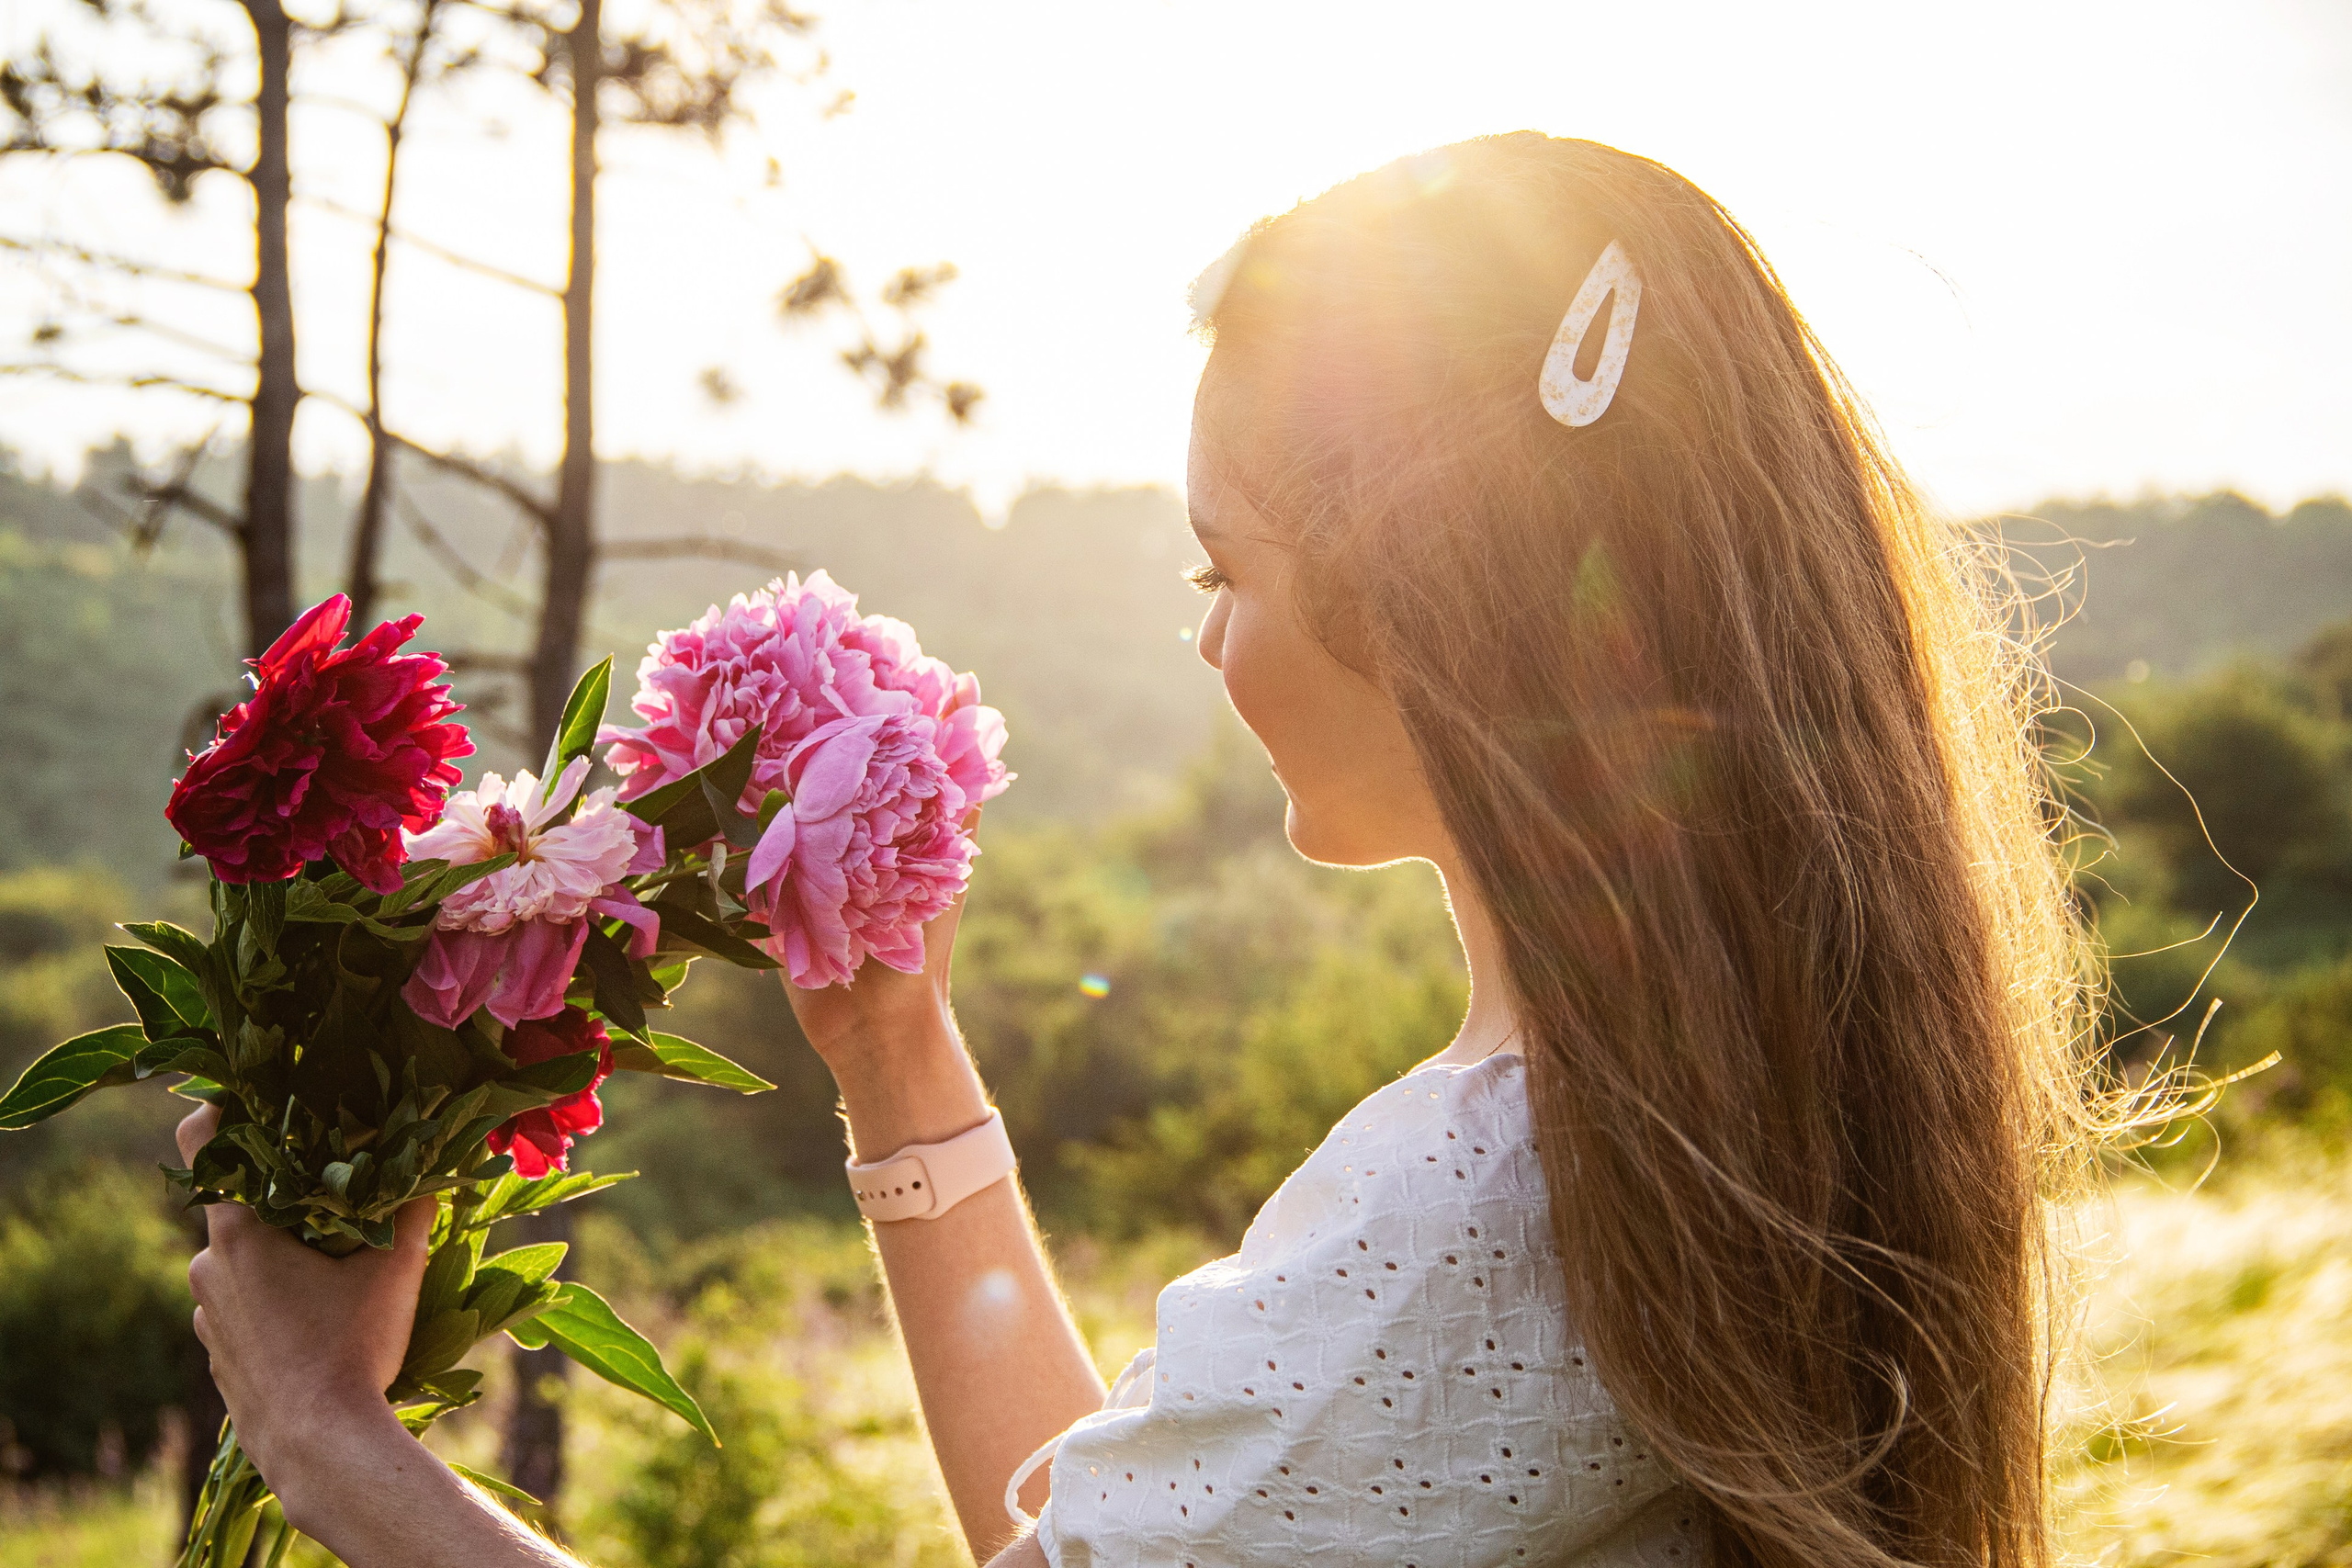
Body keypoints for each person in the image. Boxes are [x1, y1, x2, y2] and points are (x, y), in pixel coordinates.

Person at [179, 133, 2109, 1568]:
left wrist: (328, 1433)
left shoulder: (1488, 1191)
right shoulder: (1722, 1103)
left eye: (1224, 565)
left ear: (1436, 602)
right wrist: (898, 1058)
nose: (1200, 632)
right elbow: (1094, 1528)